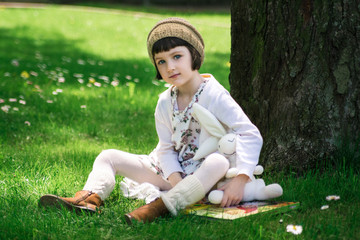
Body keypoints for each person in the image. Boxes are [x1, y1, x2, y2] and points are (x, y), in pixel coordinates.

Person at [39, 17, 263, 225]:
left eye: (177, 56)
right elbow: (165, 149)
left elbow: (250, 133)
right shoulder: (165, 101)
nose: (170, 67)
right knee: (108, 156)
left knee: (218, 162)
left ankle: (158, 208)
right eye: (161, 61)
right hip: (170, 173)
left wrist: (241, 179)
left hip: (206, 175)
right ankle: (89, 199)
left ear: (194, 54)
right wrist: (176, 181)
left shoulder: (213, 94)